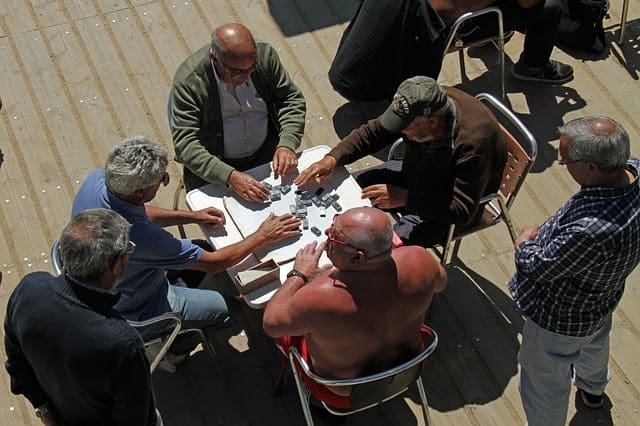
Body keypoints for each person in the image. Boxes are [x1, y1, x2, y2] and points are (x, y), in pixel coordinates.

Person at [72, 136, 301, 369]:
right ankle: (168, 345)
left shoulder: (100, 180)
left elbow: (138, 212)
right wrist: (263, 235)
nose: (164, 181)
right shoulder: (143, 237)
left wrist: (193, 216)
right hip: (137, 307)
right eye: (162, 180)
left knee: (201, 247)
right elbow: (214, 264)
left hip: (111, 282)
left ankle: (182, 292)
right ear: (140, 191)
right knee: (232, 310)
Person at [508, 116, 640, 426]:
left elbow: (539, 267)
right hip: (604, 292)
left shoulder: (590, 230)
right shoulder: (634, 170)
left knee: (544, 384)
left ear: (592, 167)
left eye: (565, 160)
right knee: (595, 341)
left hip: (560, 317)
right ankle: (593, 390)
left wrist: (524, 243)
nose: (561, 163)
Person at [296, 76, 507, 248]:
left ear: (432, 123)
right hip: (411, 176)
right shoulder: (424, 101)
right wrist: (333, 157)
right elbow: (375, 132)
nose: (398, 129)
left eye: (404, 127)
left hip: (442, 208)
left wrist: (405, 199)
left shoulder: (474, 145)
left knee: (383, 246)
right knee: (343, 189)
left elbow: (462, 210)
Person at [263, 207, 446, 397]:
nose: (327, 233)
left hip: (346, 389)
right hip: (410, 366)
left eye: (333, 236)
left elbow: (271, 324)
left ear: (358, 258)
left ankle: (319, 406)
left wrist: (298, 274)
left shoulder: (319, 296)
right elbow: (440, 284)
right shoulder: (421, 259)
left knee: (287, 329)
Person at [4, 209, 160, 426]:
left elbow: (16, 365)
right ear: (115, 266)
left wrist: (46, 413)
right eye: (128, 250)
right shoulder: (123, 344)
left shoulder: (28, 289)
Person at [328, 0, 572, 102]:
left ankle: (492, 38)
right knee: (552, 7)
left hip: (412, 15)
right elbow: (530, 3)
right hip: (449, 28)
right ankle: (533, 66)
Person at [170, 23, 306, 201]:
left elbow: (290, 98)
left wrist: (287, 142)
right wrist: (230, 176)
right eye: (237, 72)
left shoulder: (264, 56)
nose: (247, 76)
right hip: (218, 164)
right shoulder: (189, 84)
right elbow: (185, 144)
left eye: (252, 68)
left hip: (267, 152)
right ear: (214, 57)